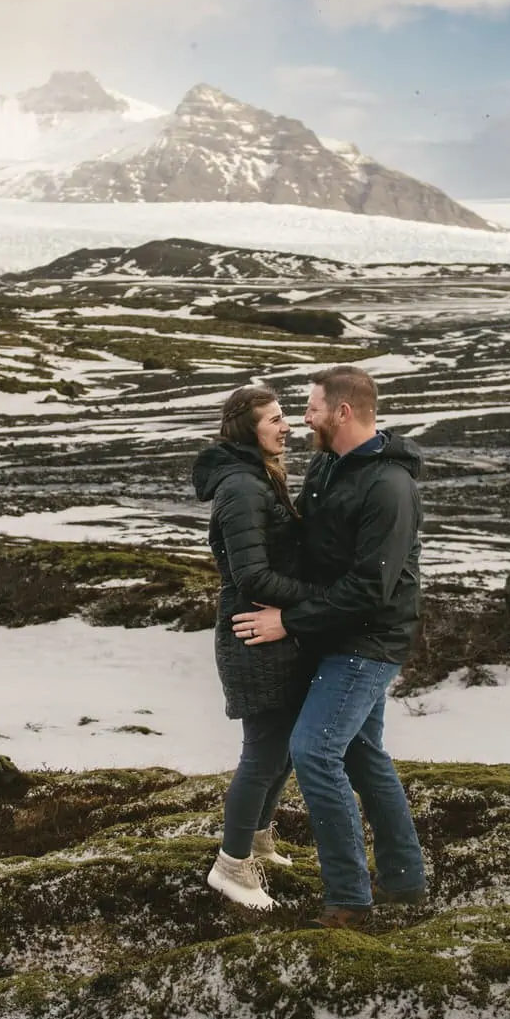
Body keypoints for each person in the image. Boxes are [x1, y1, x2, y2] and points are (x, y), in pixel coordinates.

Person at [231, 364, 428, 928]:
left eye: (312, 407)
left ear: (343, 410)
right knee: (365, 757)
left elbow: (371, 588)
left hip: (367, 639)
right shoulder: (328, 466)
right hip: (332, 632)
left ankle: (349, 900)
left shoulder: (389, 486)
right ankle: (404, 881)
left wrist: (289, 620)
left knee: (315, 751)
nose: (303, 418)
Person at [192, 385, 322, 910]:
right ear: (248, 430)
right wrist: (316, 598)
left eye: (285, 415)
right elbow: (250, 574)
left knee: (282, 749)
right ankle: (230, 866)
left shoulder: (258, 476)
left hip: (271, 631)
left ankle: (261, 841)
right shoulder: (244, 488)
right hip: (254, 633)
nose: (286, 425)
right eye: (274, 419)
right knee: (263, 751)